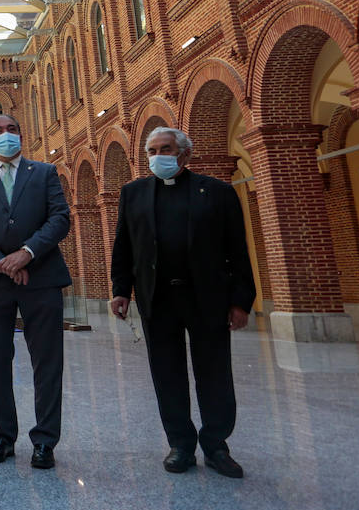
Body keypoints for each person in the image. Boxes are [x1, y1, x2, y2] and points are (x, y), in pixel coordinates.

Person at [109, 127, 254, 478]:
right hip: (157, 297)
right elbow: (124, 247)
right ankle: (180, 444)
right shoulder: (134, 193)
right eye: (153, 151)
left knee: (214, 372)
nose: (158, 156)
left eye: (166, 149)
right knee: (167, 373)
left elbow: (237, 250)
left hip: (206, 297)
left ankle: (216, 445)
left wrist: (241, 301)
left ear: (184, 154)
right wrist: (120, 289)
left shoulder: (217, 193)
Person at [0, 113, 71, 469]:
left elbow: (59, 218)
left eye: (12, 130)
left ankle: (45, 441)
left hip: (42, 278)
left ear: (22, 135)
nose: (6, 135)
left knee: (47, 361)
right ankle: (2, 436)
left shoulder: (45, 173)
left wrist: (26, 254)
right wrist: (2, 262)